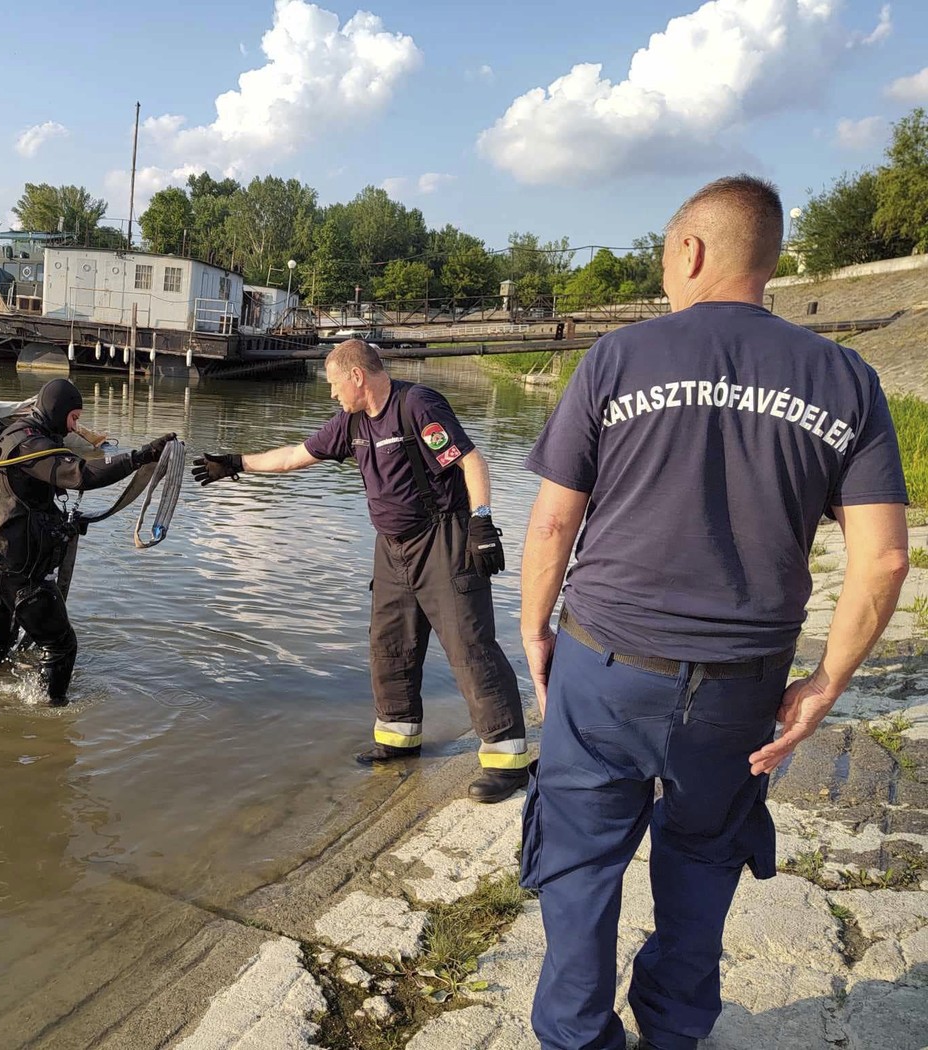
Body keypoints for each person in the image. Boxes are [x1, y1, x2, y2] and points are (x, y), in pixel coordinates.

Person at [518, 175, 910, 1050]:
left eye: (666, 258)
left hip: (605, 666)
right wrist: (824, 685)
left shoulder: (618, 358)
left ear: (690, 251)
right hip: (739, 689)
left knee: (580, 865)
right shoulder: (845, 378)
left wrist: (534, 630)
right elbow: (885, 557)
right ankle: (674, 1031)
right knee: (702, 862)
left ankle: (577, 1038)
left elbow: (550, 523)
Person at [193, 339, 530, 803]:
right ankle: (398, 737)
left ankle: (507, 760)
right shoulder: (351, 423)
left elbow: (471, 460)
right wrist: (235, 464)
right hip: (391, 548)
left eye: (335, 384)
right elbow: (293, 457)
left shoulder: (417, 406)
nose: (332, 393)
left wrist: (482, 522)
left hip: (442, 540)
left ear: (357, 376)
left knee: (469, 645)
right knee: (390, 644)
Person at [0, 378, 173, 704]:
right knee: (61, 646)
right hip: (20, 571)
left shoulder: (10, 435)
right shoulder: (31, 446)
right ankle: (50, 718)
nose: (74, 426)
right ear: (58, 410)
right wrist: (139, 457)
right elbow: (81, 474)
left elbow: (25, 496)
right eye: (74, 417)